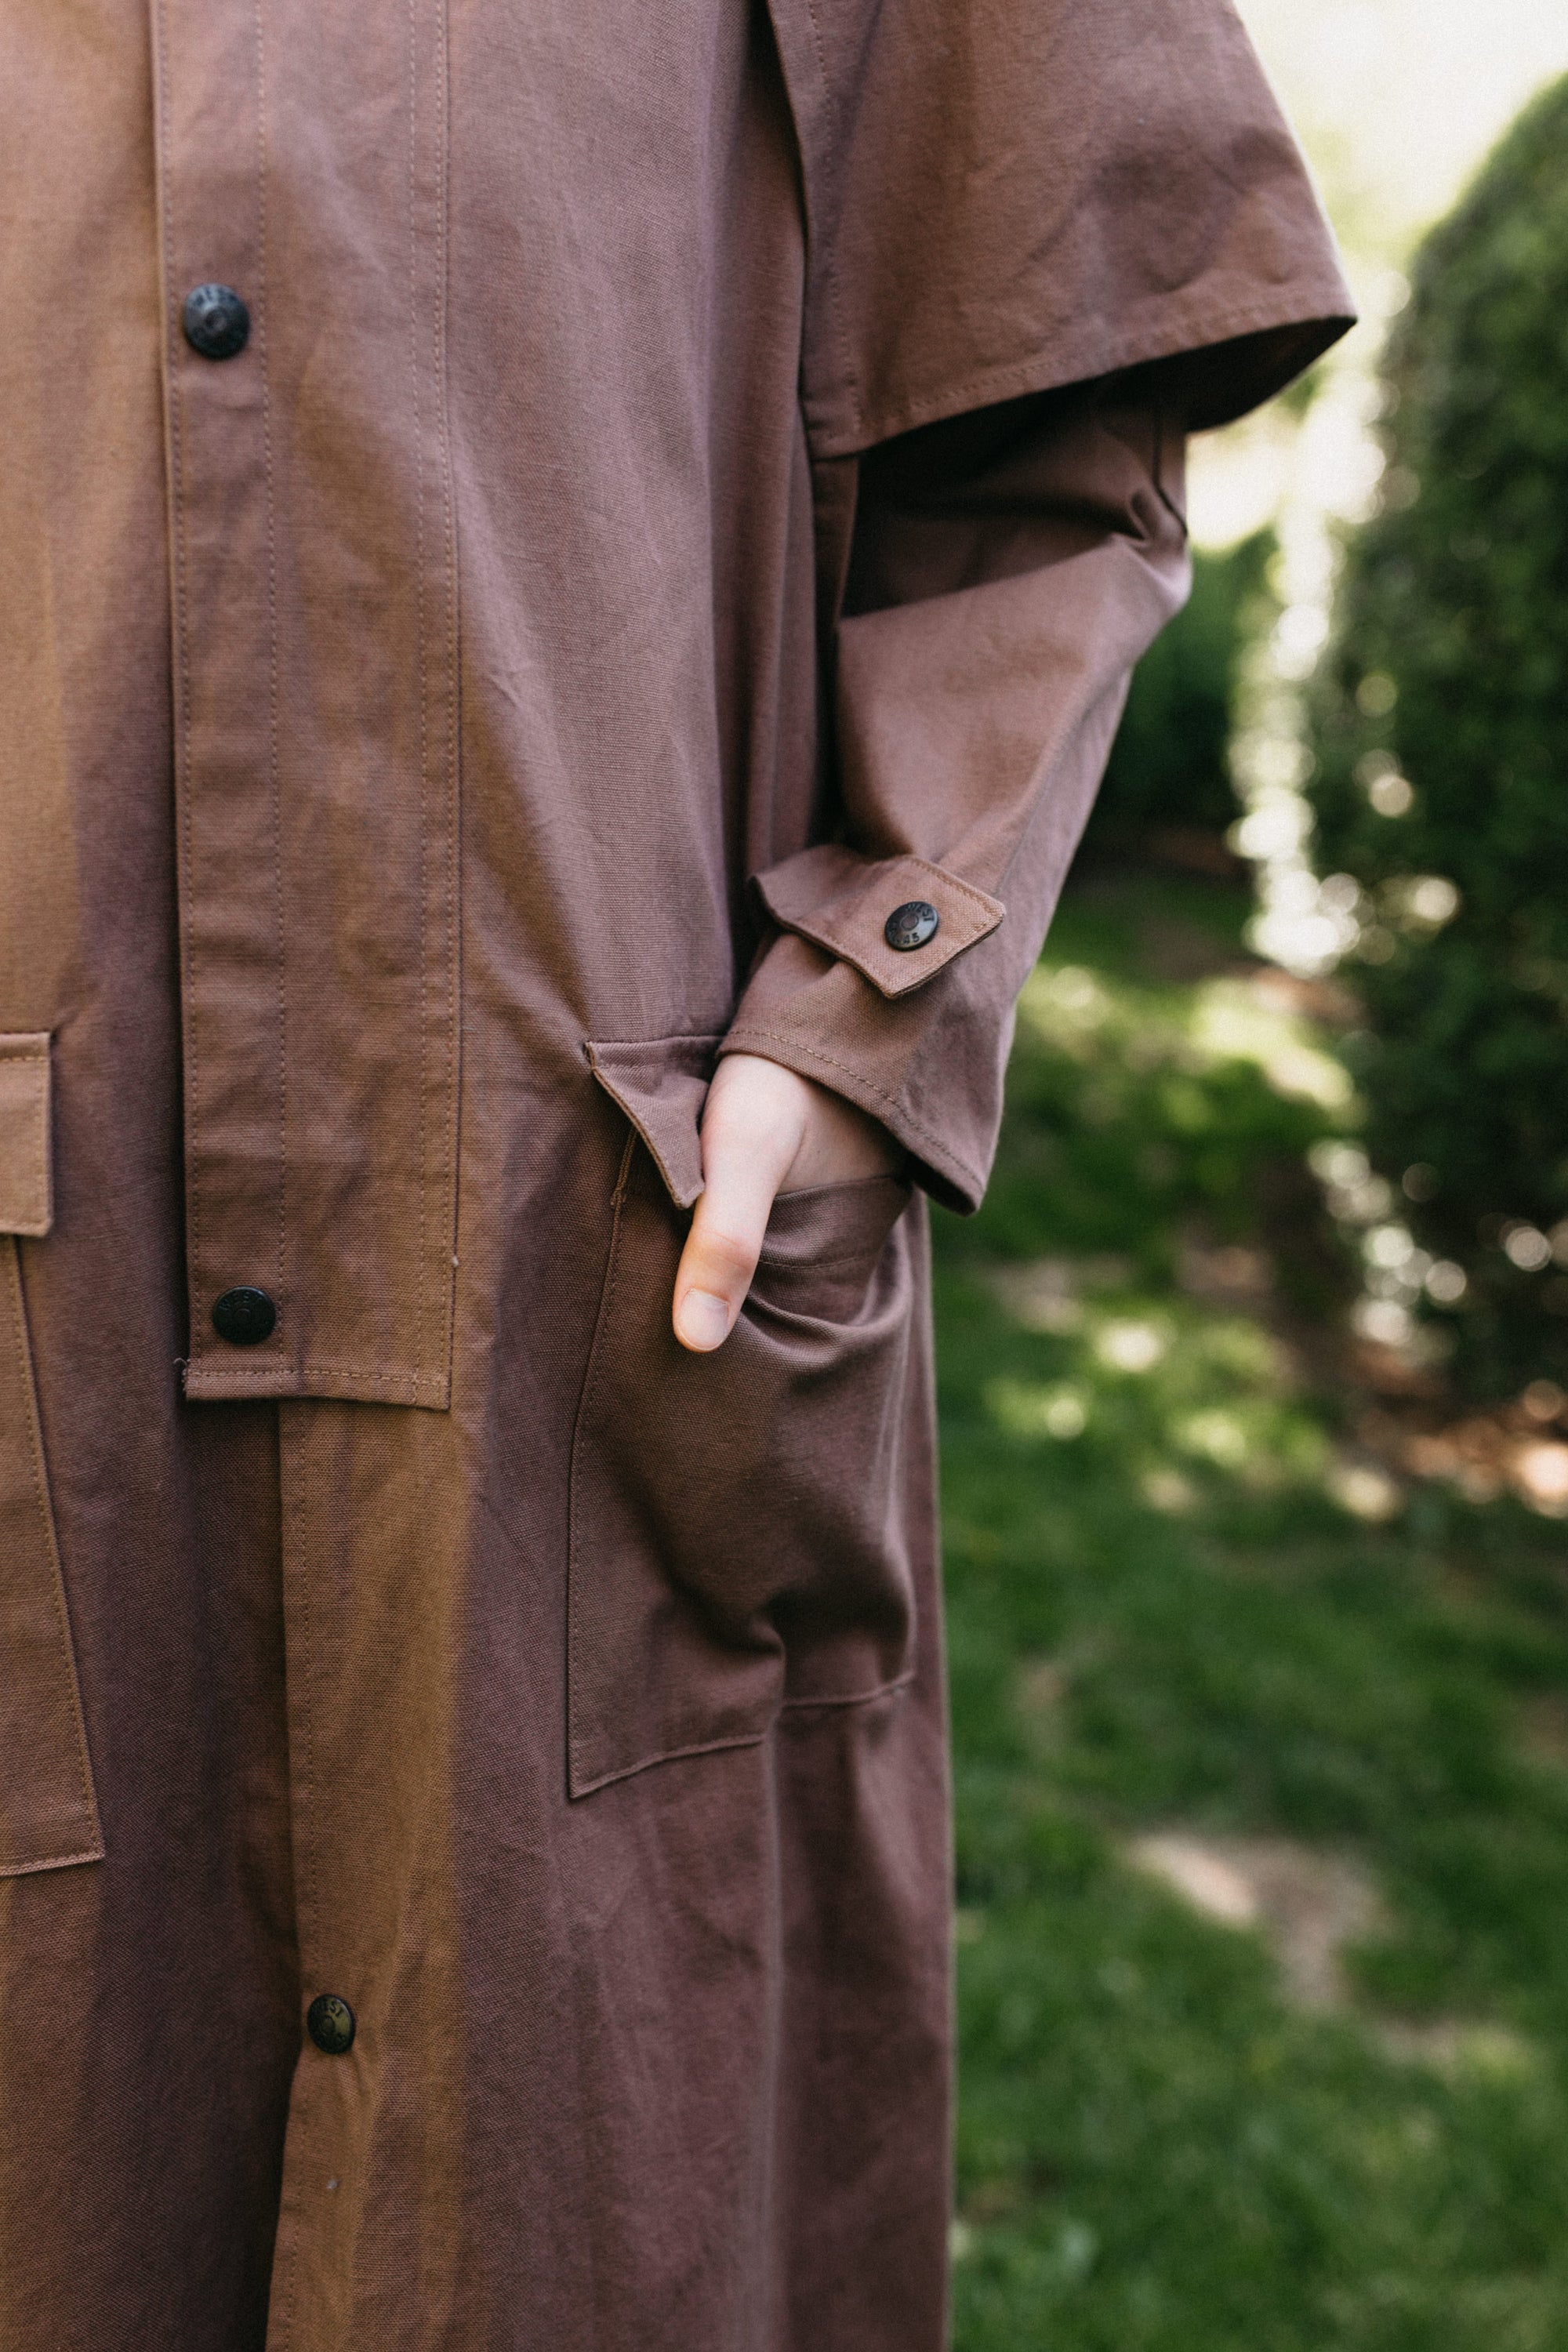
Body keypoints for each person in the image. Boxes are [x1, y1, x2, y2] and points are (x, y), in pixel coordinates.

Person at [0, 0, 1350, 2344]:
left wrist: (869, 1008)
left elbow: (1056, 417)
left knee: (557, 2173)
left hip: (597, 1258)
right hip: (55, 1307)